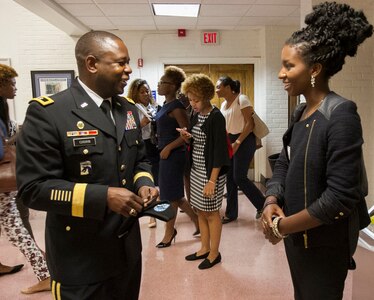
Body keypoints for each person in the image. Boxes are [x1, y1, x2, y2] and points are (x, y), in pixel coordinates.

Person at [16, 31, 158, 300]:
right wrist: (103, 196)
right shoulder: (49, 112)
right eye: (120, 62)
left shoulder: (126, 109)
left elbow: (139, 159)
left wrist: (144, 183)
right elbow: (33, 188)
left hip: (126, 251)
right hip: (79, 258)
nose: (128, 69)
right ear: (92, 64)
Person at [262, 2, 373, 299]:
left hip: (324, 244)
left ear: (314, 69)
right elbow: (285, 162)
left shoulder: (340, 113)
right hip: (297, 237)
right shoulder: (300, 112)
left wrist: (282, 226)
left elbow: (340, 196)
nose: (280, 74)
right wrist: (272, 198)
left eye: (289, 65)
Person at [0, 63, 50, 294]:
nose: (15, 88)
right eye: (11, 83)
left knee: (17, 231)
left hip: (2, 186)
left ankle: (46, 273)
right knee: (16, 230)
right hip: (5, 185)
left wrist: (7, 143)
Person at [180, 74, 230, 269]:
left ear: (207, 96)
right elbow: (198, 141)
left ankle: (215, 253)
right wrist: (187, 137)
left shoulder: (216, 117)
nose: (193, 103)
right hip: (197, 169)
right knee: (200, 210)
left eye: (196, 100)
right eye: (190, 99)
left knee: (212, 213)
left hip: (211, 172)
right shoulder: (196, 114)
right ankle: (204, 248)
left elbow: (219, 151)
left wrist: (212, 181)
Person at [155, 66, 199, 248]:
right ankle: (198, 222)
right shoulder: (166, 105)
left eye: (162, 82)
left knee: (169, 197)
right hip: (166, 154)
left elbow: (187, 133)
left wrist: (169, 148)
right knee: (175, 196)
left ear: (173, 86)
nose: (159, 85)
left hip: (174, 155)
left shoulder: (177, 107)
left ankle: (168, 233)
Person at [217, 76, 265, 223]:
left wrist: (237, 142)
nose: (216, 90)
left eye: (219, 86)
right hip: (230, 140)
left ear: (228, 87)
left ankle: (262, 205)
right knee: (230, 178)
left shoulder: (242, 99)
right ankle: (231, 213)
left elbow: (250, 124)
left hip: (244, 139)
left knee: (239, 176)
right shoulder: (224, 104)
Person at [128, 78, 160, 228]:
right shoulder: (133, 108)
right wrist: (141, 124)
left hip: (155, 145)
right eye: (142, 92)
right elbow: (128, 131)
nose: (146, 94)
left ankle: (154, 210)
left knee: (156, 181)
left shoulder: (153, 106)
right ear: (135, 93)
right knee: (148, 181)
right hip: (142, 145)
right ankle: (150, 216)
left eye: (147, 91)